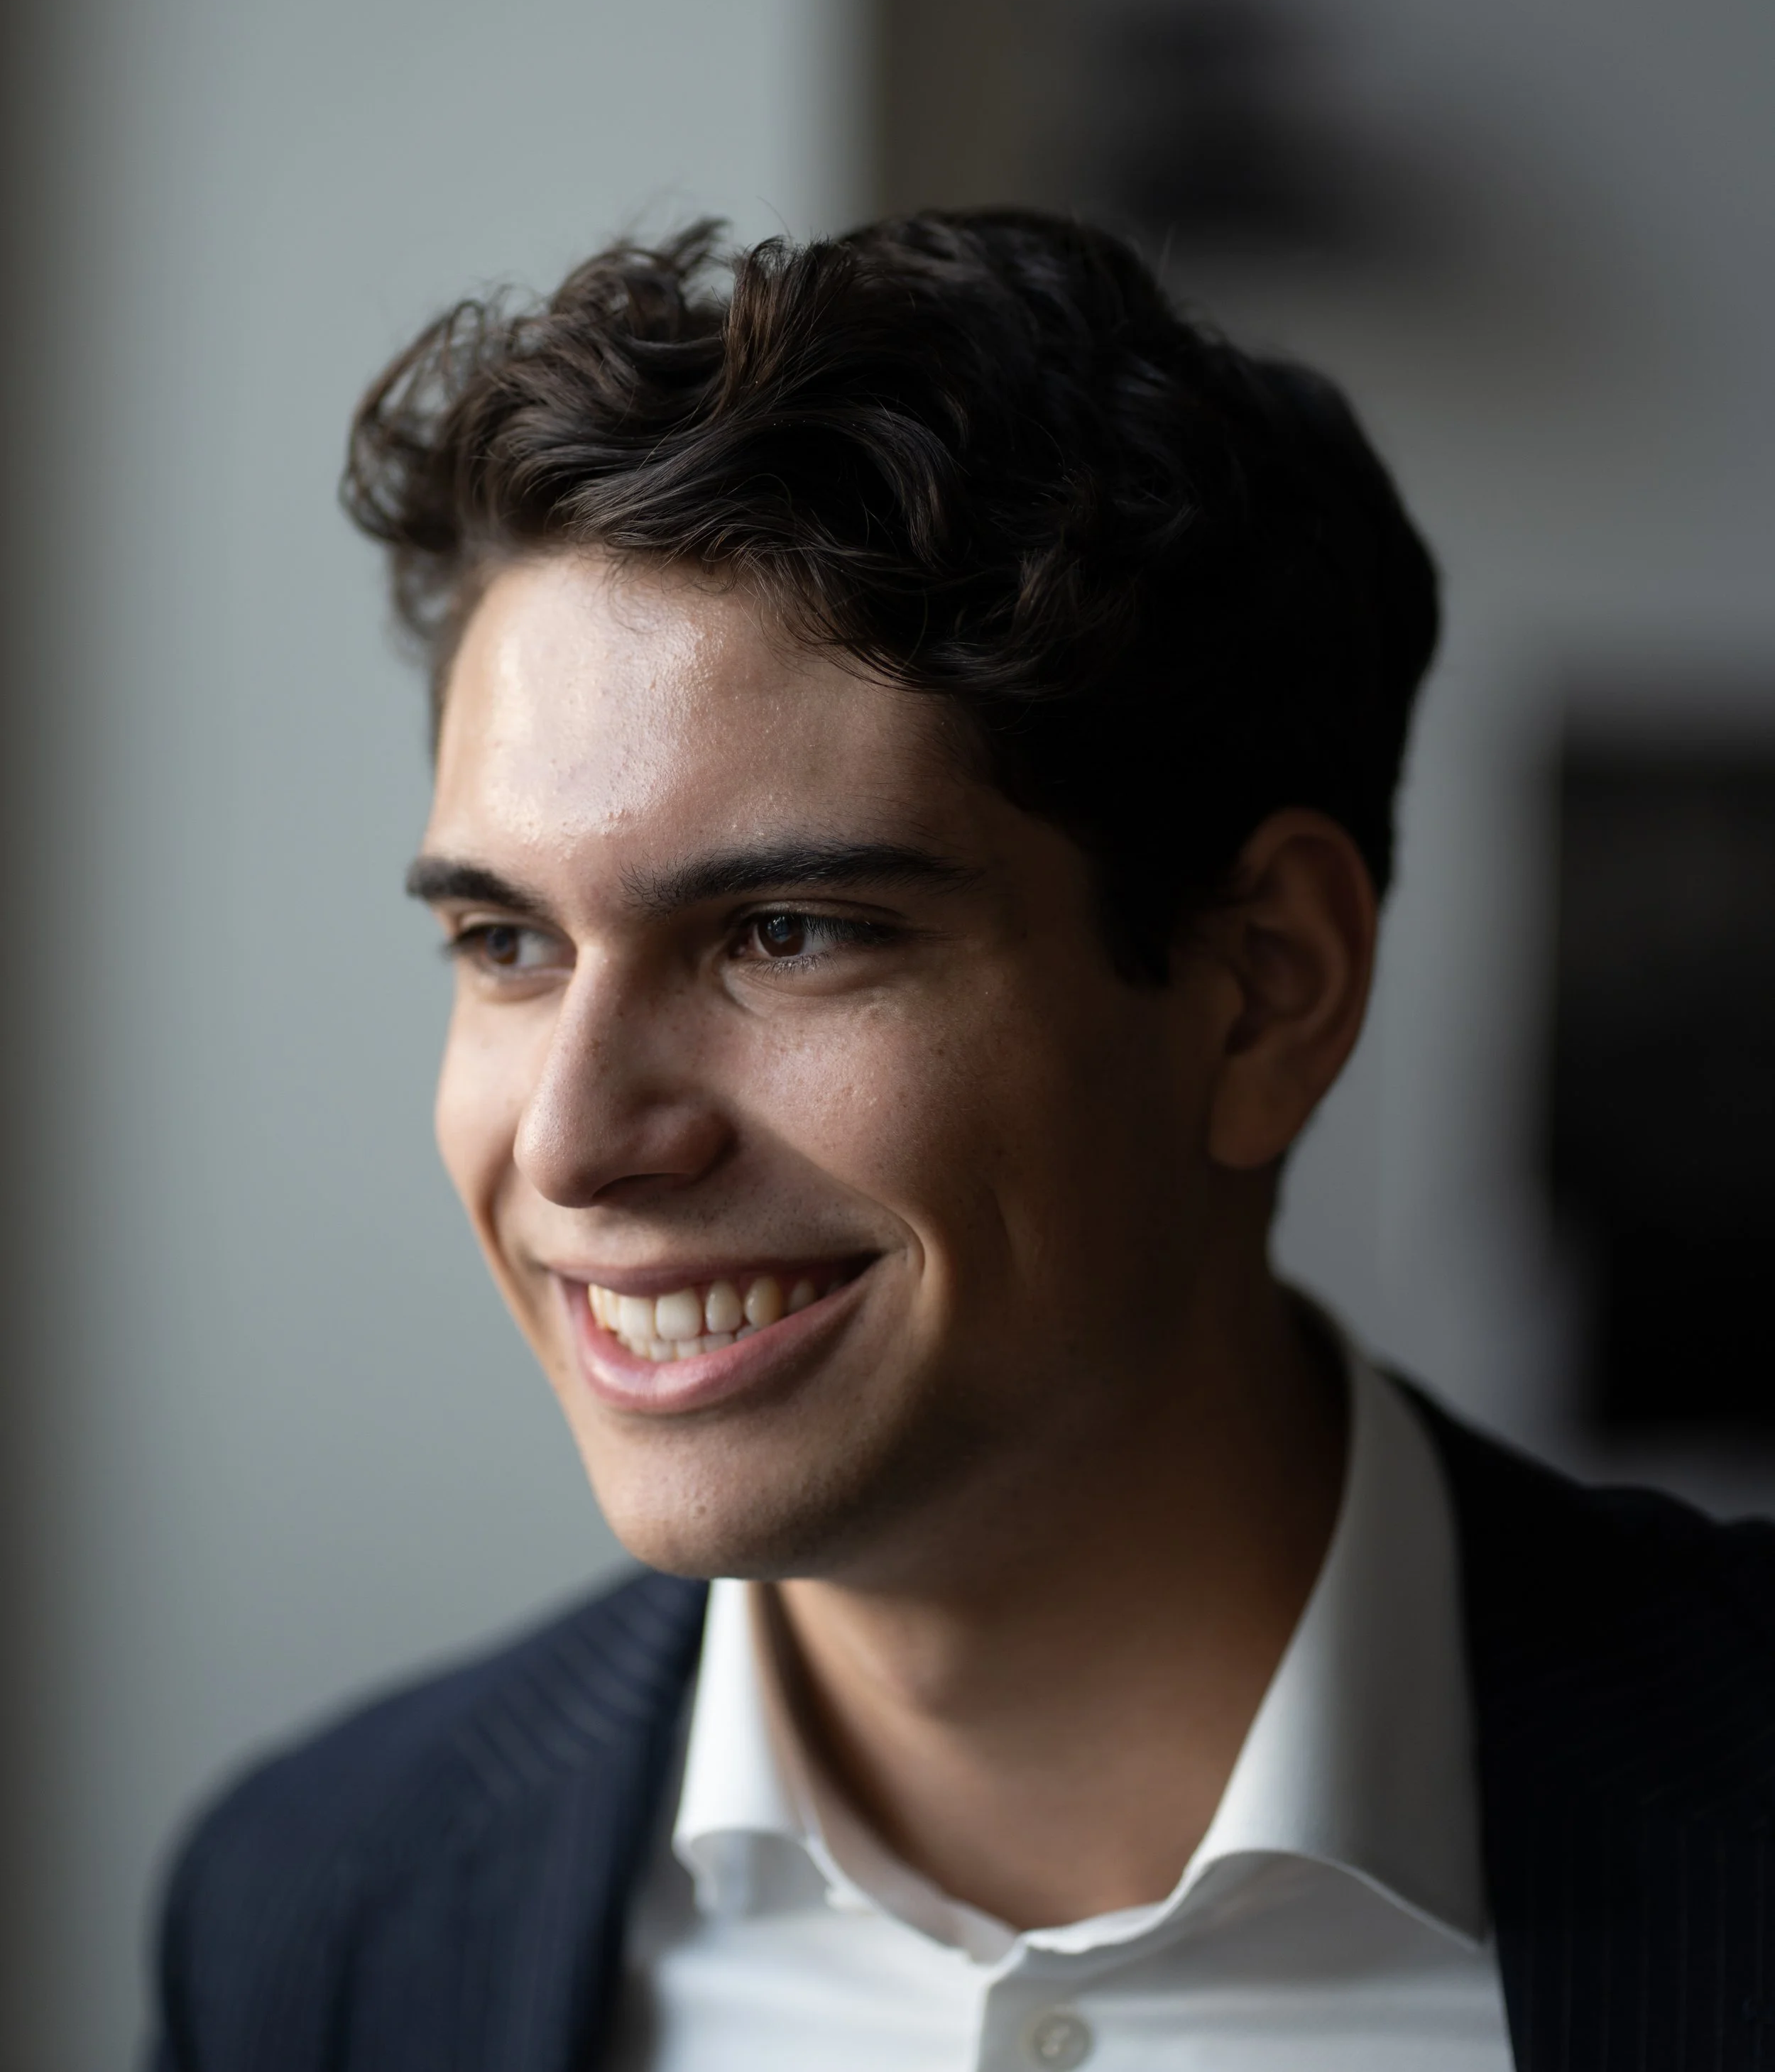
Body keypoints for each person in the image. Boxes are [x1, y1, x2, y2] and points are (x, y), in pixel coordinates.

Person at [151, 212, 1775, 2072]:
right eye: (506, 941)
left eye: (786, 932)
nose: (580, 1140)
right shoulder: (312, 1905)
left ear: (1263, 989)